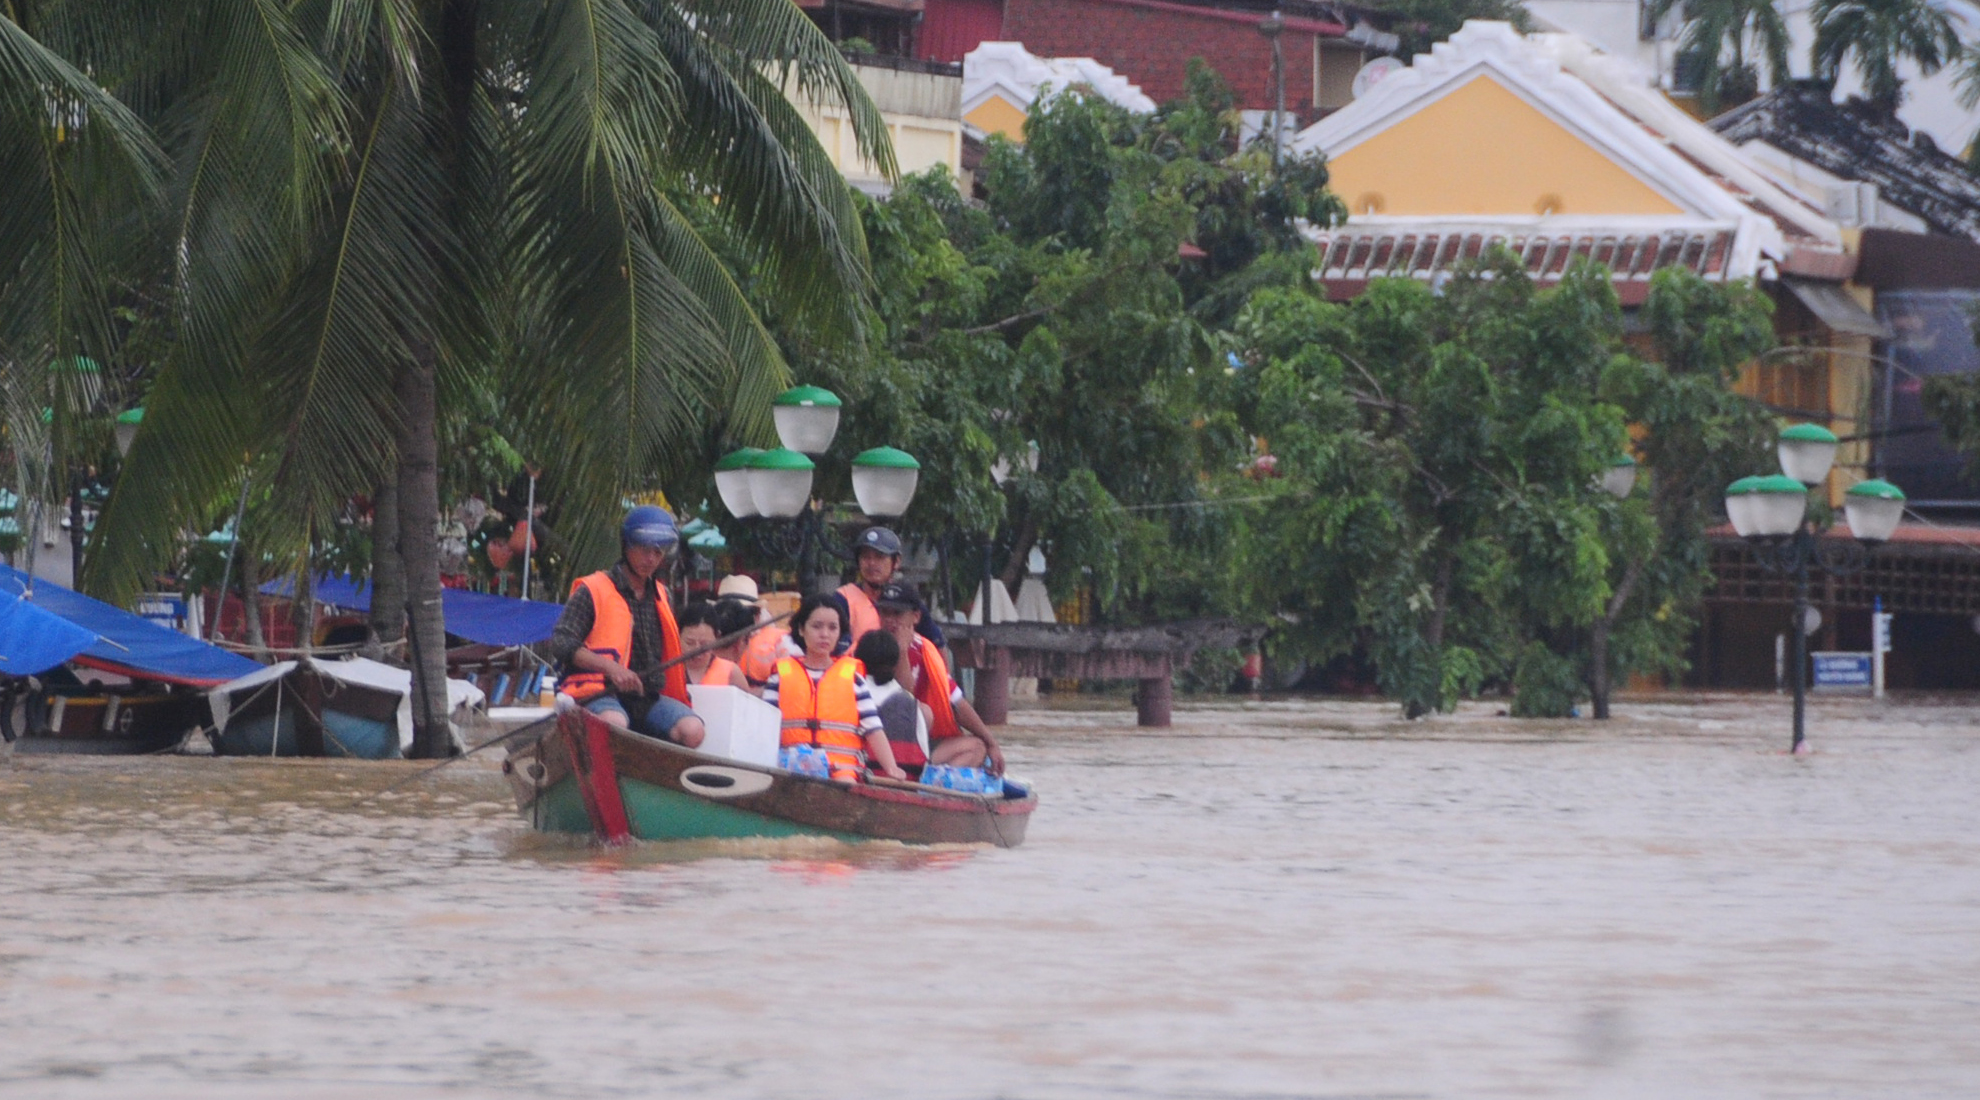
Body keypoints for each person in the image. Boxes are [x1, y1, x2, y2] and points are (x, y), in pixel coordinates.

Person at [549, 506, 705, 748]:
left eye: (657, 551)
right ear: (626, 546)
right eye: (644, 550)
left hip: (646, 698)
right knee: (615, 722)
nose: (651, 559)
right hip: (599, 694)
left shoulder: (662, 595)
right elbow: (561, 642)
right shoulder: (593, 589)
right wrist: (612, 669)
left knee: (693, 730)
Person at [764, 593, 906, 783]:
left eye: (832, 627)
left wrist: (891, 767)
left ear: (840, 633)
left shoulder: (853, 679)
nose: (825, 634)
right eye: (816, 626)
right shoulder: (779, 676)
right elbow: (764, 727)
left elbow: (873, 729)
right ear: (801, 629)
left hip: (842, 772)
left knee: (844, 785)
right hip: (790, 770)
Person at [875, 581, 1004, 774]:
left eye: (898, 614)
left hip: (918, 743)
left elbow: (957, 703)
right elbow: (904, 700)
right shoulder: (871, 646)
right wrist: (901, 652)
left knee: (978, 747)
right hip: (879, 741)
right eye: (885, 613)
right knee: (923, 711)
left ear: (916, 616)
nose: (890, 620)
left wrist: (992, 743)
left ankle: (931, 785)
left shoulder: (926, 651)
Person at [853, 629, 930, 773]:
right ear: (895, 664)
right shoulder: (909, 703)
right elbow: (925, 757)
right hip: (904, 784)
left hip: (856, 776)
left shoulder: (849, 692)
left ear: (857, 659)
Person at [721, 573, 796, 687]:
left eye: (741, 612)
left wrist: (763, 690)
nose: (736, 617)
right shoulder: (710, 638)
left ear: (757, 613)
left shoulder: (780, 641)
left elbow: (787, 677)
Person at [835, 525, 901, 646]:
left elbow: (935, 643)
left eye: (880, 557)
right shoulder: (842, 598)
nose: (871, 563)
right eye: (865, 557)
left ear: (896, 561)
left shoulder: (906, 598)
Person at [677, 601, 752, 691]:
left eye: (704, 644)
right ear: (678, 636)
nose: (696, 650)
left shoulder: (731, 672)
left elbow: (747, 703)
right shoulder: (668, 668)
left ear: (716, 638)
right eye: (690, 643)